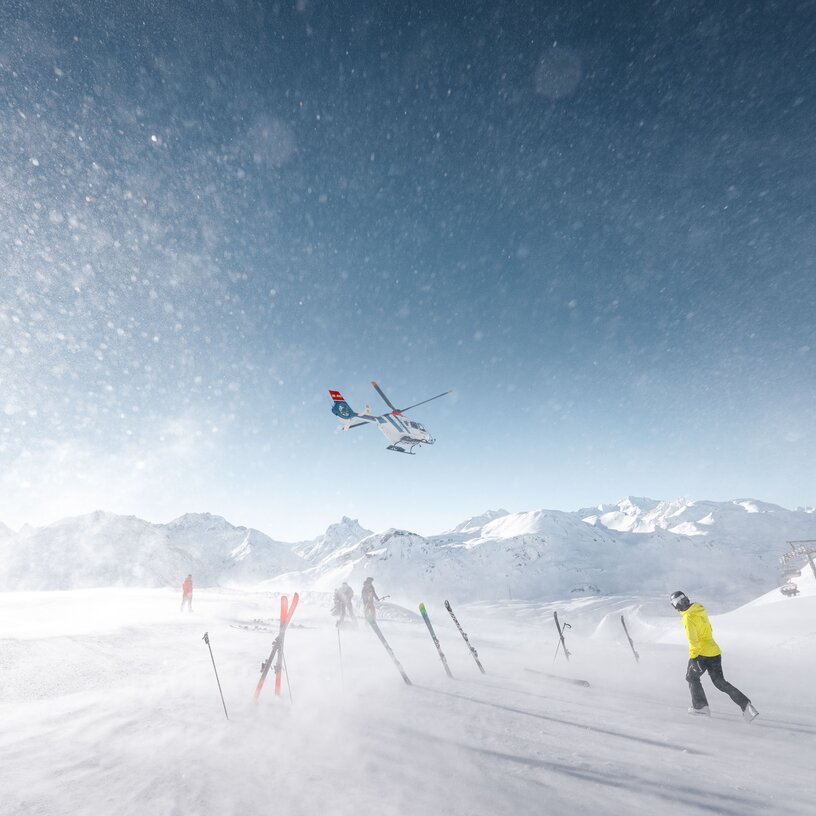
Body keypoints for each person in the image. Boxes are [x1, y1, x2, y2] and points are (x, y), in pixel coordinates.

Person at [670, 590, 758, 722]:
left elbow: (693, 640)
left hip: (701, 654)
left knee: (691, 677)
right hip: (714, 651)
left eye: (676, 604)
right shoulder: (699, 609)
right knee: (720, 682)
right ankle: (746, 706)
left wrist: (694, 658)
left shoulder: (688, 617)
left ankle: (701, 708)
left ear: (677, 606)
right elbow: (709, 629)